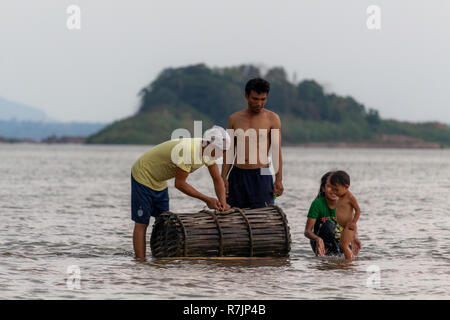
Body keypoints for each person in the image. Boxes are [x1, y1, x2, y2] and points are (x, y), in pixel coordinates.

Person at [131, 126, 231, 261]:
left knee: (163, 221)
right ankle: (140, 262)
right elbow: (180, 184)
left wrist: (222, 204)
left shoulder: (209, 153)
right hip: (143, 174)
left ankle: (160, 261)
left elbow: (217, 179)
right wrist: (207, 199)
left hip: (159, 180)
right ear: (207, 144)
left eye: (223, 152)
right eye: (220, 151)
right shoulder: (189, 151)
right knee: (142, 222)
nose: (221, 155)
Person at [221, 77, 284, 209]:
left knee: (263, 215)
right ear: (246, 95)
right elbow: (229, 151)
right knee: (234, 215)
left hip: (262, 173)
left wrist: (278, 180)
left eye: (263, 99)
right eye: (255, 99)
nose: (259, 103)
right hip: (238, 173)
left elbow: (276, 151)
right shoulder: (234, 118)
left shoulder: (272, 118)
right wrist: (223, 178)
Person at [304, 171, 362, 257]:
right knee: (328, 225)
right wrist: (318, 239)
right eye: (329, 187)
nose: (333, 191)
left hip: (340, 241)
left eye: (336, 188)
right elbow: (307, 231)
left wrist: (355, 237)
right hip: (322, 243)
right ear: (323, 188)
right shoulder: (317, 203)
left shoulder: (346, 203)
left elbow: (350, 225)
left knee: (347, 257)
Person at [329, 170, 361, 260]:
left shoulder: (350, 197)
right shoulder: (340, 197)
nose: (334, 192)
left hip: (349, 226)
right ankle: (349, 259)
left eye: (336, 189)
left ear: (346, 187)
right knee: (342, 245)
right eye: (333, 189)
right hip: (344, 226)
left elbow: (358, 210)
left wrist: (354, 222)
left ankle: (349, 262)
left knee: (344, 246)